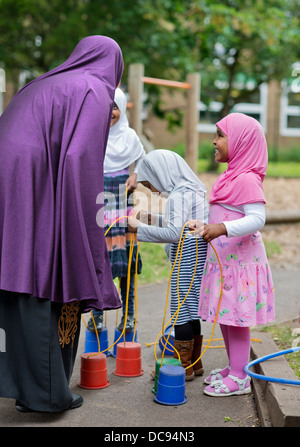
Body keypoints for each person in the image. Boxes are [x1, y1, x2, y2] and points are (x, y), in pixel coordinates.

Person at [0, 35, 123, 412]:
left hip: (12, 179)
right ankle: (47, 396)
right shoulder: (94, 88)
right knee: (46, 273)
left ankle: (24, 388)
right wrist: (85, 224)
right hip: (38, 179)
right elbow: (78, 159)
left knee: (16, 269)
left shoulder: (45, 82)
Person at [188, 112, 275, 396]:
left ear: (241, 142)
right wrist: (205, 226)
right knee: (227, 317)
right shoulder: (230, 176)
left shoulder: (247, 179)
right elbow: (223, 214)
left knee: (236, 319)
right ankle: (234, 366)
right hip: (225, 264)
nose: (214, 141)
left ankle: (239, 377)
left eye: (220, 136)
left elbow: (256, 219)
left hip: (241, 266)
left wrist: (222, 228)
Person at [128, 149, 208, 380]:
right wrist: (148, 218)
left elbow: (174, 232)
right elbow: (181, 222)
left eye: (149, 183)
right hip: (198, 254)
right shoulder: (193, 189)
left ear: (161, 173)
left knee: (180, 311)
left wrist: (138, 229)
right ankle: (194, 363)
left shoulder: (177, 196)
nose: (151, 190)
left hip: (186, 255)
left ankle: (182, 368)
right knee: (191, 310)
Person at [87, 87, 145, 334]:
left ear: (122, 108)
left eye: (115, 106)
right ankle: (97, 315)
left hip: (123, 200)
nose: (110, 112)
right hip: (99, 200)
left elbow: (143, 159)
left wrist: (135, 175)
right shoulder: (92, 134)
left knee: (127, 263)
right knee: (100, 259)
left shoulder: (130, 137)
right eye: (106, 106)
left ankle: (129, 315)